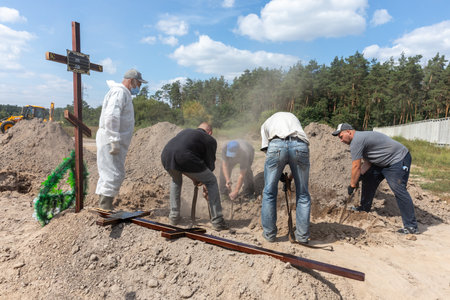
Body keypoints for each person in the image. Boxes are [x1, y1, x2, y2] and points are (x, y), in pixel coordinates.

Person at [332, 123, 419, 234]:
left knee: (398, 189)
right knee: (368, 178)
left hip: (397, 159)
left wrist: (352, 184)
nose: (341, 140)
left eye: (341, 136)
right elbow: (368, 162)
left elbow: (356, 166)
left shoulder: (356, 141)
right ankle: (364, 207)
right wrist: (360, 176)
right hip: (381, 162)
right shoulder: (360, 139)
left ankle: (411, 226)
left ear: (348, 132)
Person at [161, 122, 229, 230]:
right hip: (185, 157)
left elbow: (180, 165)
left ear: (198, 128)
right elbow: (209, 167)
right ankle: (218, 221)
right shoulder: (209, 139)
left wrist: (195, 178)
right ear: (210, 132)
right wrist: (206, 185)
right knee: (211, 181)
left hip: (166, 156)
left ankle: (174, 217)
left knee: (176, 181)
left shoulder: (186, 131)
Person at [96, 69, 147, 210]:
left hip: (113, 139)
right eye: (139, 84)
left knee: (109, 172)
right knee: (113, 174)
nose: (139, 87)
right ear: (132, 81)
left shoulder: (123, 93)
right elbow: (112, 116)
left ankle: (104, 206)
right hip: (110, 140)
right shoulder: (119, 92)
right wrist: (114, 139)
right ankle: (105, 208)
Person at [260, 112, 311, 243]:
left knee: (269, 192)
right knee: (303, 194)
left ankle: (269, 235)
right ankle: (302, 237)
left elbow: (268, 151)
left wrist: (280, 175)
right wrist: (289, 175)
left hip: (276, 144)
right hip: (300, 145)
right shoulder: (294, 118)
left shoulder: (266, 124)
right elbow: (294, 154)